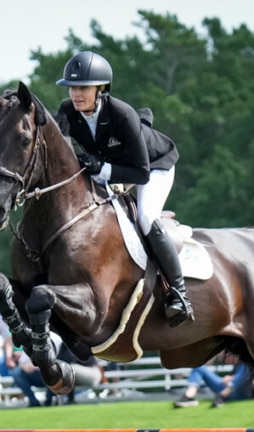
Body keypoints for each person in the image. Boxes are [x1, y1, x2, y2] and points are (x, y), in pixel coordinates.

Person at [55, 50, 191, 327]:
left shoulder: (122, 114)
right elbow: (59, 147)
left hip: (154, 167)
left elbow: (141, 173)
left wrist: (101, 168)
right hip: (114, 167)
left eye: (83, 88)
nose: (75, 94)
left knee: (145, 216)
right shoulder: (68, 111)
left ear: (100, 88)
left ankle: (179, 293)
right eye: (72, 88)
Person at [173, 355, 253, 408]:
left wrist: (234, 378)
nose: (227, 357)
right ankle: (189, 397)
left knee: (248, 366)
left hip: (242, 392)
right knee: (199, 367)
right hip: (227, 386)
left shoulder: (248, 362)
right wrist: (230, 378)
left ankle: (221, 396)